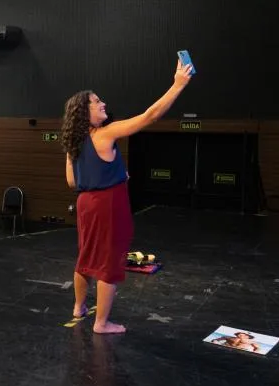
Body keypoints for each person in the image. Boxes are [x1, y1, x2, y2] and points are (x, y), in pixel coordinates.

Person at [62, 59, 193, 334]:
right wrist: (178, 85)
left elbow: (72, 181)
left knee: (86, 257)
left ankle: (78, 307)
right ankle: (101, 323)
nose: (103, 104)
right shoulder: (105, 133)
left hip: (86, 204)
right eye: (97, 102)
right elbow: (150, 116)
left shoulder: (74, 142)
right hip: (107, 204)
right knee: (109, 262)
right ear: (85, 111)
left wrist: (110, 173)